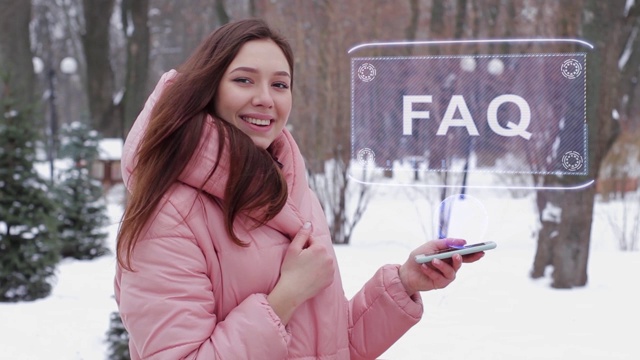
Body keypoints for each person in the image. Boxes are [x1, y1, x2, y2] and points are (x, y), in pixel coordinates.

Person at [114, 18, 485, 360]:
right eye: (244, 80)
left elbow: (332, 346)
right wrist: (286, 297)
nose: (265, 98)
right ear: (207, 89)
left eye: (280, 84)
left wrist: (405, 282)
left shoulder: (291, 193)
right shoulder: (168, 217)